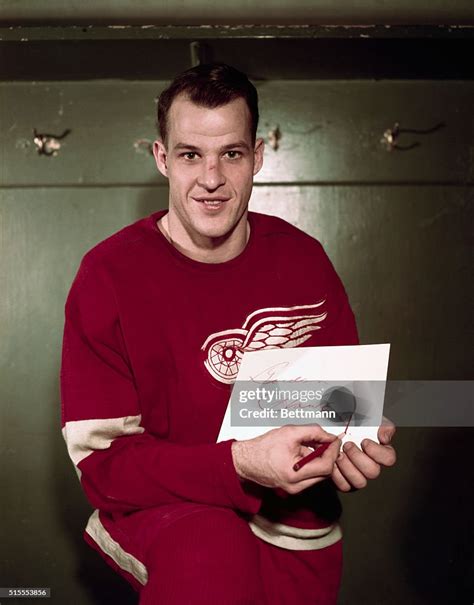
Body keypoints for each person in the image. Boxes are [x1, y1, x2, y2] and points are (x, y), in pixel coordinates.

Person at [60, 63, 396, 605]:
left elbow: (336, 410)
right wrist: (238, 461)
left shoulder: (304, 258)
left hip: (295, 524)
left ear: (257, 157)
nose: (211, 178)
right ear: (162, 158)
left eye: (232, 154)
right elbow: (104, 471)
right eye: (191, 154)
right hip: (174, 521)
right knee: (209, 546)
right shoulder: (108, 274)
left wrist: (349, 444)